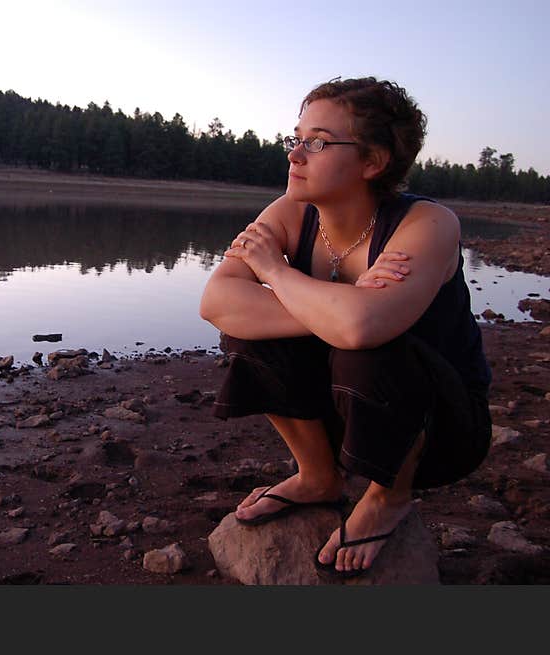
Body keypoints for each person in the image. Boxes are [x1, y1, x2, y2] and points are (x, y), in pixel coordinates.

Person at [198, 77, 491, 579]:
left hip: (440, 428)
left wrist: (275, 273)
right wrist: (339, 308)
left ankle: (387, 496)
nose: (294, 154)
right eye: (295, 137)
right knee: (248, 334)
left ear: (373, 162)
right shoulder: (291, 211)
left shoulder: (428, 224)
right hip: (350, 411)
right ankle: (317, 475)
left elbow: (361, 332)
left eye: (318, 142)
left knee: (370, 344)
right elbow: (216, 301)